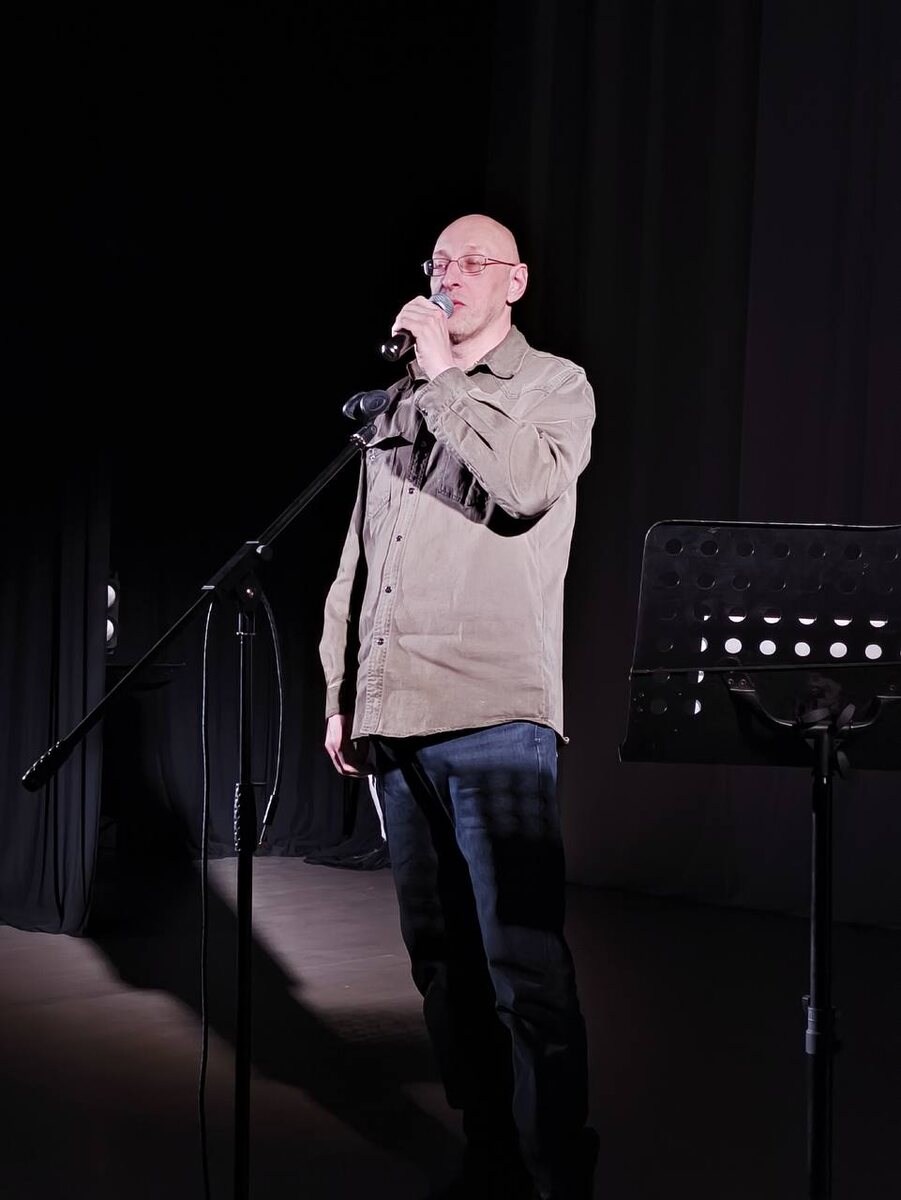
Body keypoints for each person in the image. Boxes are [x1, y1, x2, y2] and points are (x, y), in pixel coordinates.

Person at [319, 214, 597, 1199]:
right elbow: (358, 558)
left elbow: (520, 487)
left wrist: (442, 376)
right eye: (439, 262)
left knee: (523, 961)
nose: (451, 275)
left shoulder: (552, 386)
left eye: (474, 262)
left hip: (493, 716)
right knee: (440, 959)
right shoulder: (396, 405)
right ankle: (490, 1153)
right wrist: (342, 689)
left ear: (514, 281)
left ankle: (557, 1168)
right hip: (394, 714)